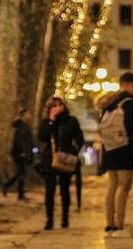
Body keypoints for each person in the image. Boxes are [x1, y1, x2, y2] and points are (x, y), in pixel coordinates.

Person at [99, 71, 133, 232]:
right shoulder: (128, 103)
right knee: (124, 187)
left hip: (111, 150)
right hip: (125, 151)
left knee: (112, 186)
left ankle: (109, 221)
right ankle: (119, 222)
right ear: (125, 85)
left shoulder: (111, 103)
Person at [39, 97, 84, 230]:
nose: (58, 108)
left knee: (65, 189)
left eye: (60, 105)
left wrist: (74, 151)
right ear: (49, 109)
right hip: (50, 158)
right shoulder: (46, 122)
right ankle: (49, 219)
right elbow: (42, 136)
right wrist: (52, 121)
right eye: (54, 106)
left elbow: (79, 138)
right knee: (50, 189)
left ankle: (65, 217)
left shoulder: (71, 121)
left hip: (66, 158)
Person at [2, 108, 34, 200]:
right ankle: (19, 193)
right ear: (24, 114)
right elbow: (19, 141)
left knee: (20, 173)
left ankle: (8, 187)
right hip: (19, 153)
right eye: (28, 114)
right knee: (21, 173)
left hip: (23, 152)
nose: (30, 116)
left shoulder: (25, 125)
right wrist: (22, 151)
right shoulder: (21, 126)